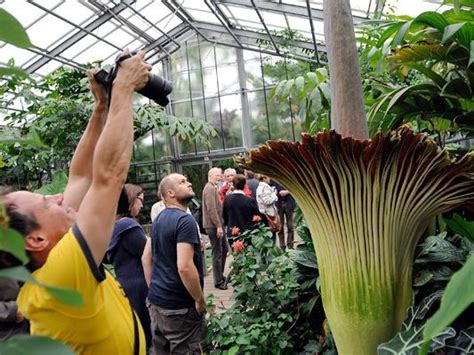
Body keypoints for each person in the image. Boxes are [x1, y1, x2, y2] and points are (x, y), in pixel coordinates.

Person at [3, 50, 151, 354]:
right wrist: (124, 88)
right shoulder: (60, 277)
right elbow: (108, 177)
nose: (59, 197)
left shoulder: (48, 259)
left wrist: (101, 108)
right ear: (36, 239)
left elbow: (81, 177)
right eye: (47, 202)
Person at [144, 173, 207, 354]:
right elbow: (184, 267)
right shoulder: (185, 221)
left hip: (157, 303)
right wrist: (199, 299)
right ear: (170, 193)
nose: (188, 184)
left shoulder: (158, 220)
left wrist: (154, 290)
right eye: (183, 182)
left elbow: (145, 258)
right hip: (180, 309)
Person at [106, 183, 151, 349]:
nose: (142, 204)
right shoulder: (128, 227)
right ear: (131, 200)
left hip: (124, 283)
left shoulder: (113, 227)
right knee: (145, 336)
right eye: (140, 200)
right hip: (139, 285)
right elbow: (147, 251)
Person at [202, 167, 228, 290]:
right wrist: (218, 226)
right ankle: (218, 281)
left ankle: (220, 276)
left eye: (220, 175)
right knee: (217, 252)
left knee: (224, 250)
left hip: (216, 225)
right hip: (213, 226)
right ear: (210, 176)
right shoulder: (209, 189)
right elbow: (211, 209)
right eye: (217, 175)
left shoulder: (213, 188)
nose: (220, 177)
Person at [222, 174, 260, 242]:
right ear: (245, 185)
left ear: (233, 185)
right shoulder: (250, 201)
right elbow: (258, 217)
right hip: (247, 234)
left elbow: (224, 217)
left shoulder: (227, 199)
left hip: (232, 234)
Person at [273, 181, 296, 251]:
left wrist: (287, 192)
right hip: (279, 204)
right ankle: (282, 246)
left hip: (288, 204)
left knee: (290, 226)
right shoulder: (274, 180)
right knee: (280, 226)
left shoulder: (288, 178)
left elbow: (294, 188)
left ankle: (290, 245)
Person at [256, 174, 279, 242]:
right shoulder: (264, 187)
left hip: (265, 213)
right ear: (264, 178)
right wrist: (274, 195)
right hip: (268, 214)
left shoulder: (261, 187)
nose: (270, 178)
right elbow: (267, 201)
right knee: (271, 235)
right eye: (268, 177)